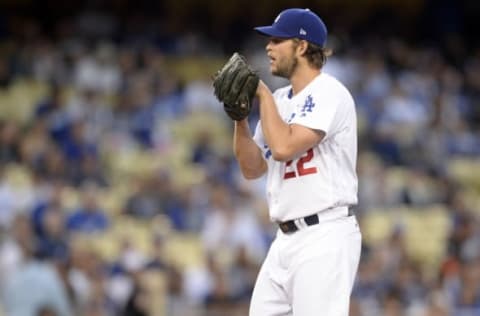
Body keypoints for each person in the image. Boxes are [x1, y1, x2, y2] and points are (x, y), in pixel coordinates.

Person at [232, 8, 362, 316]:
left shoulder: (329, 91)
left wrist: (261, 96)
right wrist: (239, 119)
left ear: (302, 46)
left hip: (324, 234)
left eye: (277, 40)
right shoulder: (279, 100)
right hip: (284, 239)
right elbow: (252, 169)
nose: (268, 47)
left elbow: (283, 147)